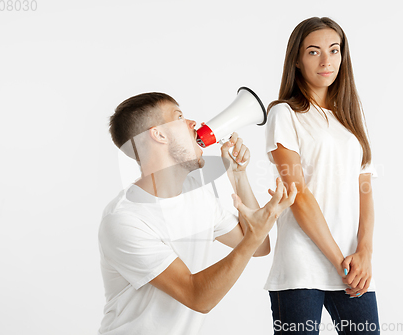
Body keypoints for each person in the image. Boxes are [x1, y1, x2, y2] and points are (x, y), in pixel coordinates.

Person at [98, 92, 296, 335]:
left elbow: (258, 247)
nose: (193, 124)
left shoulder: (197, 195)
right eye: (179, 116)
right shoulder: (124, 220)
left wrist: (237, 175)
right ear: (158, 134)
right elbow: (197, 297)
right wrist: (255, 234)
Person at [264, 17, 380, 334]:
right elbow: (298, 194)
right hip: (302, 265)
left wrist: (365, 254)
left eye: (334, 50)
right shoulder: (284, 114)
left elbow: (365, 189)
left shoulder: (352, 117)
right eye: (314, 52)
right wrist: (339, 260)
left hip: (354, 266)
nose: (327, 60)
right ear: (297, 61)